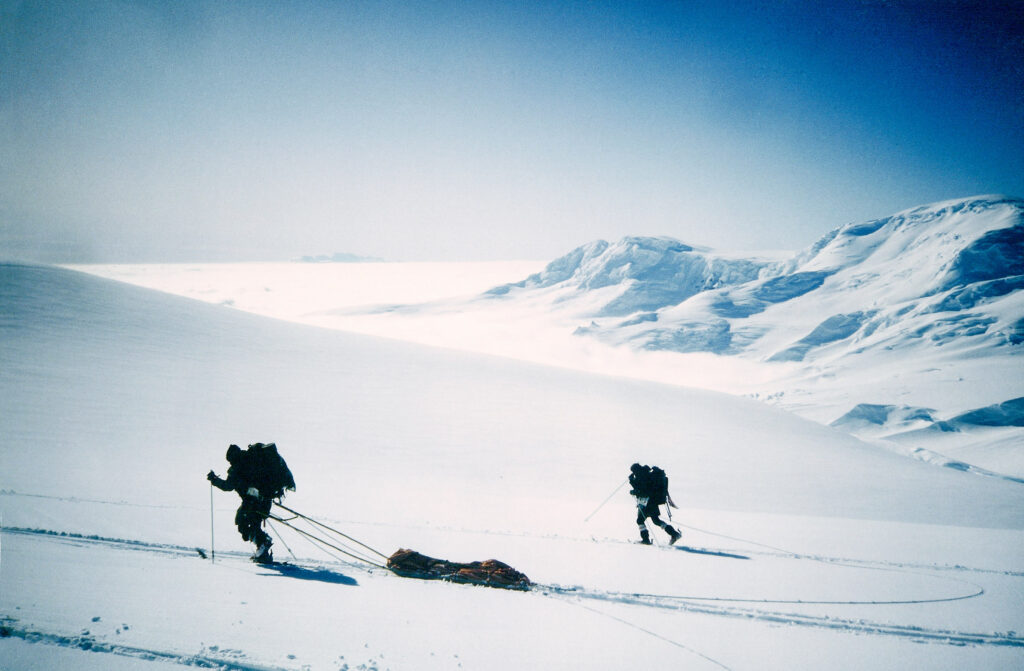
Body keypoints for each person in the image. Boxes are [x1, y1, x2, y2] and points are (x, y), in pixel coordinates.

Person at [208, 443, 282, 563]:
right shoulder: (252, 460)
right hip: (265, 500)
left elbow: (228, 486)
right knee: (252, 524)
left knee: (243, 524)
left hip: (252, 502)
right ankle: (262, 551)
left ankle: (263, 543)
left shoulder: (237, 468)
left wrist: (214, 480)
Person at [628, 463, 681, 545]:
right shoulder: (645, 474)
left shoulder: (642, 476)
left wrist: (634, 491)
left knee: (640, 520)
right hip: (652, 502)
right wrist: (631, 481)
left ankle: (646, 540)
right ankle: (674, 534)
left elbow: (644, 490)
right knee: (656, 520)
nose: (633, 473)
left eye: (633, 471)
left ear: (636, 470)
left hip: (647, 503)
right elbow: (640, 486)